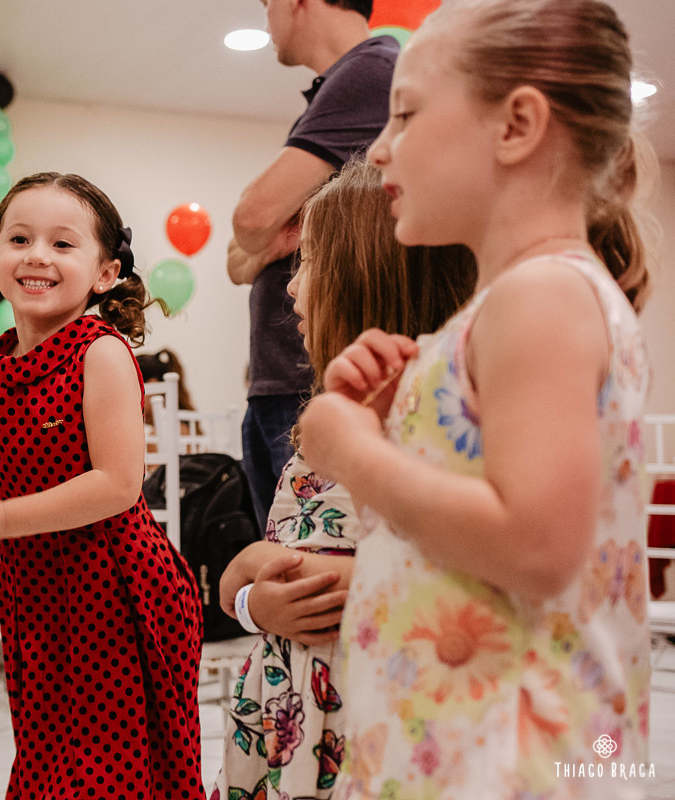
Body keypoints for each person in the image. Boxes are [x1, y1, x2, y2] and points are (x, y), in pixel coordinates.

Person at [297, 2, 653, 796]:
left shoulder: (542, 297)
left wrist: (352, 450)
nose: (381, 150)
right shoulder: (514, 304)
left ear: (516, 125)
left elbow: (534, 543)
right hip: (455, 749)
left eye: (408, 114)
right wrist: (400, 421)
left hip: (508, 762)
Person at [0, 172, 205, 800]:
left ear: (104, 273)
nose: (37, 256)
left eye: (63, 244)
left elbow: (116, 484)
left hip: (117, 589)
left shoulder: (99, 351)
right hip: (37, 594)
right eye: (20, 239)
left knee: (113, 770)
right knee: (48, 757)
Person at [213, 159, 475, 799]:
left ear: (368, 276)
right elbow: (241, 590)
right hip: (286, 718)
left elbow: (442, 578)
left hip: (372, 718)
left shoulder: (435, 420)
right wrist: (248, 589)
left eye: (308, 264)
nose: (293, 290)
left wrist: (259, 571)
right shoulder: (321, 420)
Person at [231, 0, 399, 526]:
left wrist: (263, 233)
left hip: (313, 379)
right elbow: (238, 259)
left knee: (307, 568)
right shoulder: (340, 85)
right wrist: (262, 236)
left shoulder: (369, 71)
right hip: (283, 379)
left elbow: (250, 218)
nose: (266, 15)